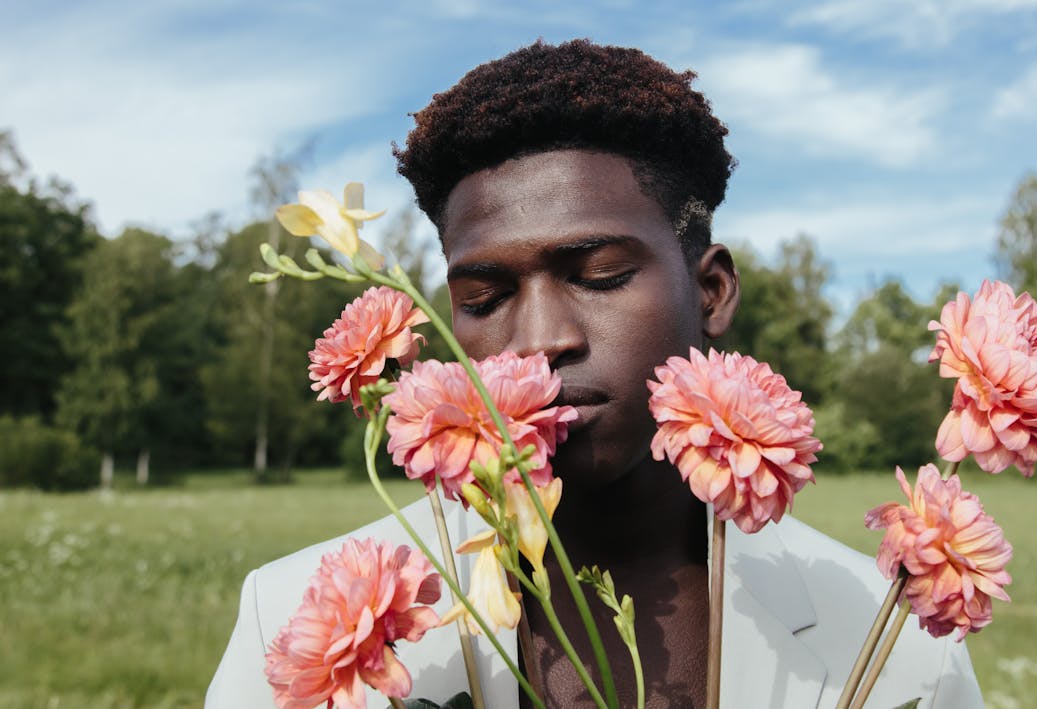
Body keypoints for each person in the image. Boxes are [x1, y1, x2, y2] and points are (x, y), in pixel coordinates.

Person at [208, 39, 984, 708]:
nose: (541, 340)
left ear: (710, 291)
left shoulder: (899, 632)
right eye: (484, 297)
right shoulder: (288, 618)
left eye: (602, 273)